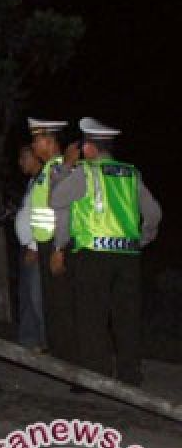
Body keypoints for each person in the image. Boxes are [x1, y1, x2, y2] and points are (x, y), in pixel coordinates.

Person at [49, 117, 162, 385]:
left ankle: (93, 377)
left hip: (93, 255)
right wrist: (140, 239)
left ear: (88, 149)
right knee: (127, 317)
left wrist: (65, 165)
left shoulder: (86, 173)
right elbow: (154, 213)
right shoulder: (131, 174)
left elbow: (56, 199)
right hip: (128, 257)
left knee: (91, 317)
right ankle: (130, 375)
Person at [26, 117, 75, 360]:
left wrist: (59, 248)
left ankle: (67, 357)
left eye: (37, 140)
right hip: (46, 244)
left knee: (60, 304)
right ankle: (59, 353)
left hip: (57, 244)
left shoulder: (58, 169)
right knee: (52, 304)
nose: (34, 146)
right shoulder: (48, 170)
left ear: (50, 141)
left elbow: (63, 210)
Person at [14, 144, 46, 351]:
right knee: (26, 295)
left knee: (36, 296)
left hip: (36, 247)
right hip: (26, 246)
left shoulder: (44, 181)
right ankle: (28, 341)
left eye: (24, 157)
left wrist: (34, 246)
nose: (20, 162)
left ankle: (44, 342)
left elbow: (44, 214)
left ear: (36, 159)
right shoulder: (32, 182)